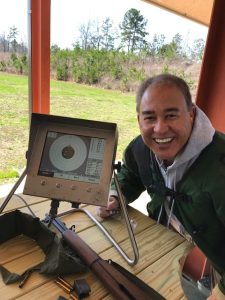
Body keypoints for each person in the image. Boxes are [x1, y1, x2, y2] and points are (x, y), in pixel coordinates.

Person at [97, 74, 225, 300]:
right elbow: (131, 174)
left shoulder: (220, 165)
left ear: (191, 114)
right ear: (139, 120)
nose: (160, 128)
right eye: (149, 117)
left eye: (171, 115)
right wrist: (117, 195)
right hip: (166, 247)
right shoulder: (141, 149)